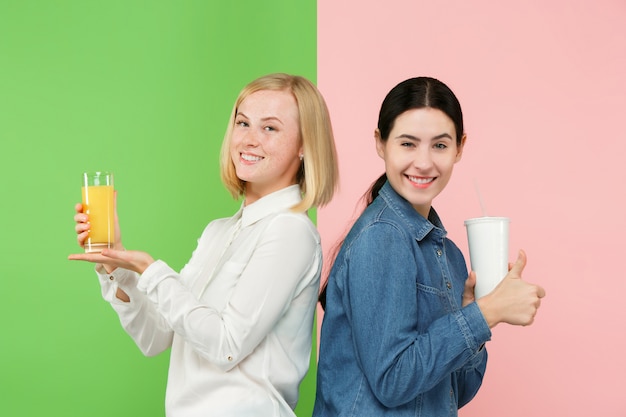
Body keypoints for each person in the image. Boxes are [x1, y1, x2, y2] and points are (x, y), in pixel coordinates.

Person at [69, 73, 339, 417]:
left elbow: (226, 346)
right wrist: (116, 265)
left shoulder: (290, 232)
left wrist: (151, 270)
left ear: (305, 145)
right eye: (243, 123)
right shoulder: (218, 232)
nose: (249, 139)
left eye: (270, 128)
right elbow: (155, 338)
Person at [313, 76, 545, 416]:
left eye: (439, 145)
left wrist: (476, 316)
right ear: (380, 143)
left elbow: (457, 392)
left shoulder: (448, 254)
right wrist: (487, 312)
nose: (423, 162)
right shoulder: (382, 235)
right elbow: (393, 381)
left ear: (460, 147)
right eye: (407, 144)